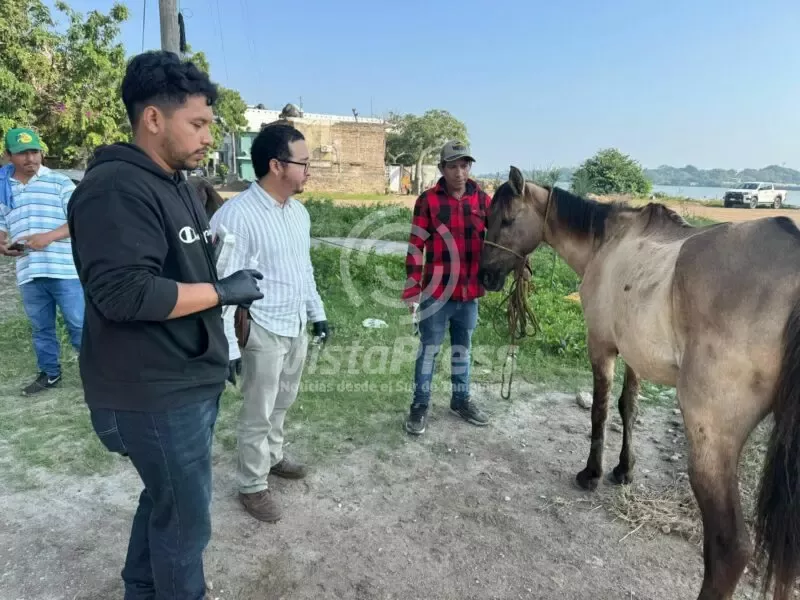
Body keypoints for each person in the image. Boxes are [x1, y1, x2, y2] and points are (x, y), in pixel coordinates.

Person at [67, 50, 263, 600]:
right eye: (197, 124)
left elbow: (174, 270)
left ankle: (141, 588)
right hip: (152, 392)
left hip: (188, 376)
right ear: (152, 118)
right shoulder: (114, 188)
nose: (208, 137)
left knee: (165, 500)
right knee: (186, 522)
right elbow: (124, 293)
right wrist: (222, 291)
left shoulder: (175, 183)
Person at [209, 122, 328, 523]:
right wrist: (228, 345)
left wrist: (317, 312)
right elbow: (221, 284)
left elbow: (303, 269)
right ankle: (252, 484)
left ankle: (273, 457)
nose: (309, 171)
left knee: (283, 400)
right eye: (303, 163)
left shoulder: (298, 213)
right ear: (277, 165)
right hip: (260, 325)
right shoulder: (236, 216)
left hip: (294, 322)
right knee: (258, 410)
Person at [402, 140, 492, 436]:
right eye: (453, 166)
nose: (459, 172)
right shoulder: (428, 201)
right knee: (429, 350)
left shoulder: (482, 200)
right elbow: (416, 246)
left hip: (469, 292)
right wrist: (412, 288)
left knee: (462, 349)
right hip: (436, 293)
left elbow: (500, 237)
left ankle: (460, 400)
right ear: (442, 168)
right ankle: (420, 405)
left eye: (464, 165)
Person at [0, 127, 84, 396]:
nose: (30, 158)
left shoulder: (60, 182)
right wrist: (3, 244)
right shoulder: (4, 189)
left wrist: (47, 237)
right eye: (22, 153)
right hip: (28, 271)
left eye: (34, 151)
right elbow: (2, 226)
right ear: (8, 156)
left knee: (79, 324)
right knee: (40, 328)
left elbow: (80, 220)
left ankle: (97, 374)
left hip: (65, 269)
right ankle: (50, 373)